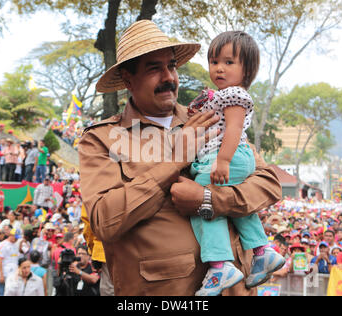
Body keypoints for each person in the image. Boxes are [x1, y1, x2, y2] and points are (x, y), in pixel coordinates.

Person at [79, 20, 282, 296]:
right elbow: (105, 220)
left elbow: (269, 184)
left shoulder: (209, 116)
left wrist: (208, 200)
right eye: (154, 68)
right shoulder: (101, 138)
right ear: (128, 79)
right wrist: (176, 162)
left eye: (172, 66)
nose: (169, 77)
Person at [186, 31, 285, 295]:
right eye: (214, 61)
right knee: (238, 207)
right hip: (234, 157)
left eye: (229, 62)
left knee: (203, 204)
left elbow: (233, 130)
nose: (219, 68)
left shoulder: (233, 94)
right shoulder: (222, 94)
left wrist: (222, 160)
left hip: (228, 156)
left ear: (247, 69)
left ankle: (220, 266)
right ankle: (262, 251)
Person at [0, 228, 20, 296]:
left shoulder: (16, 244)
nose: (16, 239)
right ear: (11, 235)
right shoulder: (3, 244)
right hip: (4, 273)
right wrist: (1, 275)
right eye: (15, 237)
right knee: (2, 293)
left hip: (12, 275)